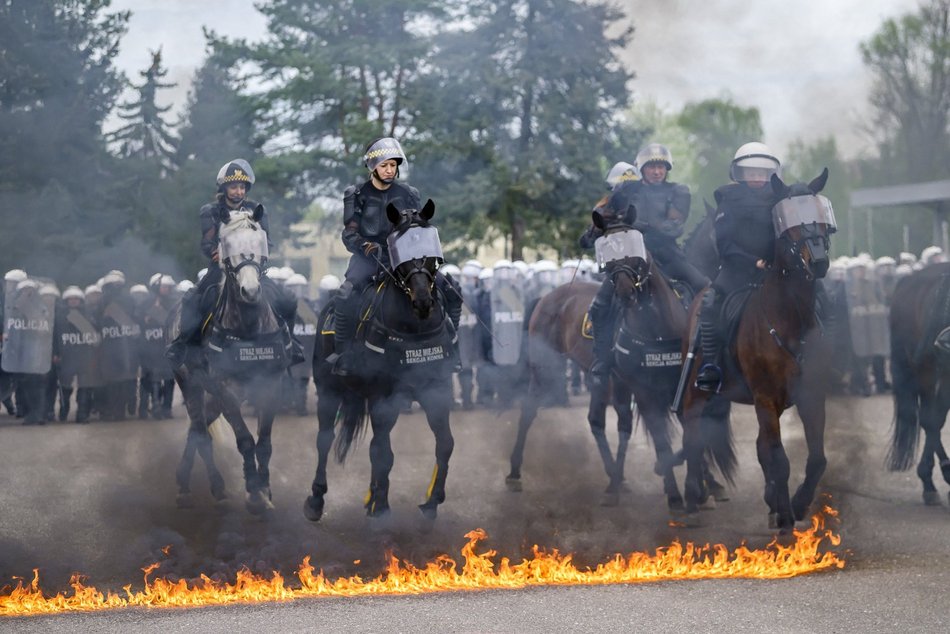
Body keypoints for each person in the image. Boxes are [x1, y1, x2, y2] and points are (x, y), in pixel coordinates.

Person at [332, 137, 461, 375]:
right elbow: (348, 234)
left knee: (451, 288)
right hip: (368, 258)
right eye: (384, 165)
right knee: (347, 293)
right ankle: (345, 354)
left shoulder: (409, 193)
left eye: (393, 165)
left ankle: (452, 348)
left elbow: (418, 227)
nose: (390, 170)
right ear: (373, 167)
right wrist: (365, 245)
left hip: (405, 257)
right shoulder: (356, 194)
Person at [166, 159, 297, 367]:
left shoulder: (257, 210)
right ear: (224, 188)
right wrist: (215, 252)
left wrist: (260, 255)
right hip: (223, 269)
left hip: (254, 269)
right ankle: (183, 344)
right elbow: (207, 243)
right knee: (193, 299)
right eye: (234, 186)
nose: (238, 191)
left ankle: (291, 343)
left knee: (288, 298)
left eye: (242, 187)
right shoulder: (210, 210)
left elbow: (267, 241)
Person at [694, 142, 782, 392]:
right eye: (751, 172)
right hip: (737, 270)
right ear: (740, 174)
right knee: (710, 305)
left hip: (774, 269)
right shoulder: (728, 200)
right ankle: (711, 366)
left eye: (762, 172)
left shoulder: (780, 199)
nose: (757, 177)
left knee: (817, 295)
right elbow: (725, 245)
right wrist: (752, 261)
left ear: (770, 174)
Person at [613, 143, 709, 293]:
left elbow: (672, 228)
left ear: (667, 169)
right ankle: (594, 313)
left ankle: (699, 317)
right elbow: (612, 219)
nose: (657, 172)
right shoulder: (626, 192)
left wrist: (638, 225)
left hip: (667, 256)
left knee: (702, 285)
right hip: (630, 255)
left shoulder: (677, 192)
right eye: (652, 167)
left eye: (661, 167)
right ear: (642, 169)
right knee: (606, 292)